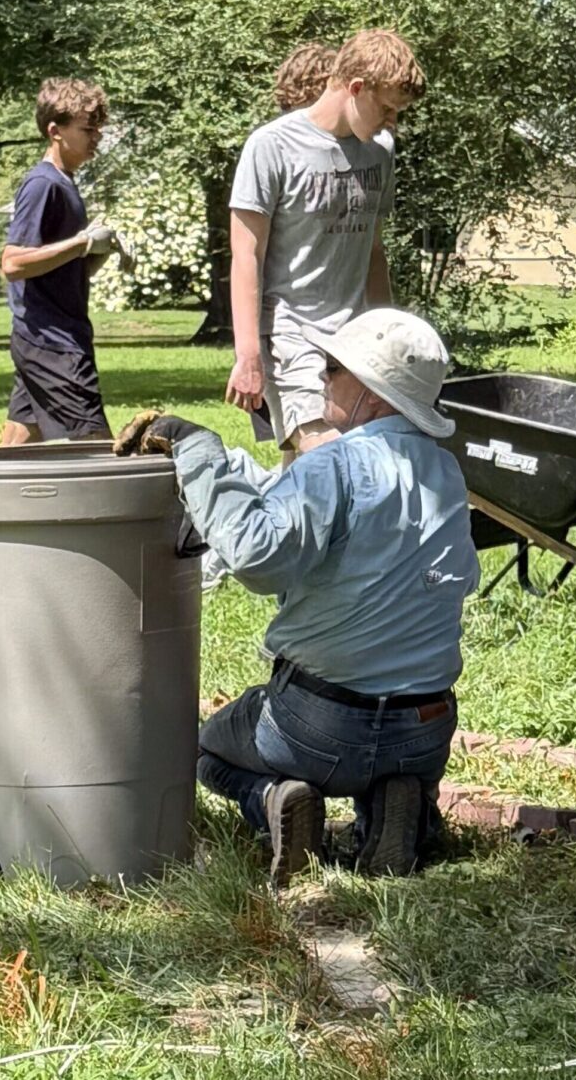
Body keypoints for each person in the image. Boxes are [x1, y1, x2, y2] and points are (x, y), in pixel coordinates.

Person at [116, 308, 474, 889]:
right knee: (391, 756)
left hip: (319, 725)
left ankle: (279, 799)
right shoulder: (446, 472)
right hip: (424, 727)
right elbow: (319, 514)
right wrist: (237, 474)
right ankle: (396, 807)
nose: (322, 378)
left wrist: (196, 447)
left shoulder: (337, 463)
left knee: (211, 750)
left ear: (376, 395)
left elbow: (256, 555)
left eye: (334, 369)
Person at [225, 29, 423, 456]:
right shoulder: (271, 147)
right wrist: (248, 355)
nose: (392, 122)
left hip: (353, 338)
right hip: (290, 332)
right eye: (387, 109)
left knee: (316, 472)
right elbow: (246, 255)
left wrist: (387, 334)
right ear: (355, 89)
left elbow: (373, 251)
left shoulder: (380, 151)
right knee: (325, 452)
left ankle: (281, 524)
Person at [0, 78, 120, 445]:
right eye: (86, 129)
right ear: (55, 131)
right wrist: (82, 243)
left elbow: (60, 267)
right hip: (52, 342)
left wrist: (99, 252)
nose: (96, 137)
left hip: (44, 336)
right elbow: (13, 263)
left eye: (98, 129)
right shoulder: (43, 184)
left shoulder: (65, 182)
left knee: (20, 439)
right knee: (95, 442)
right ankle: (123, 504)